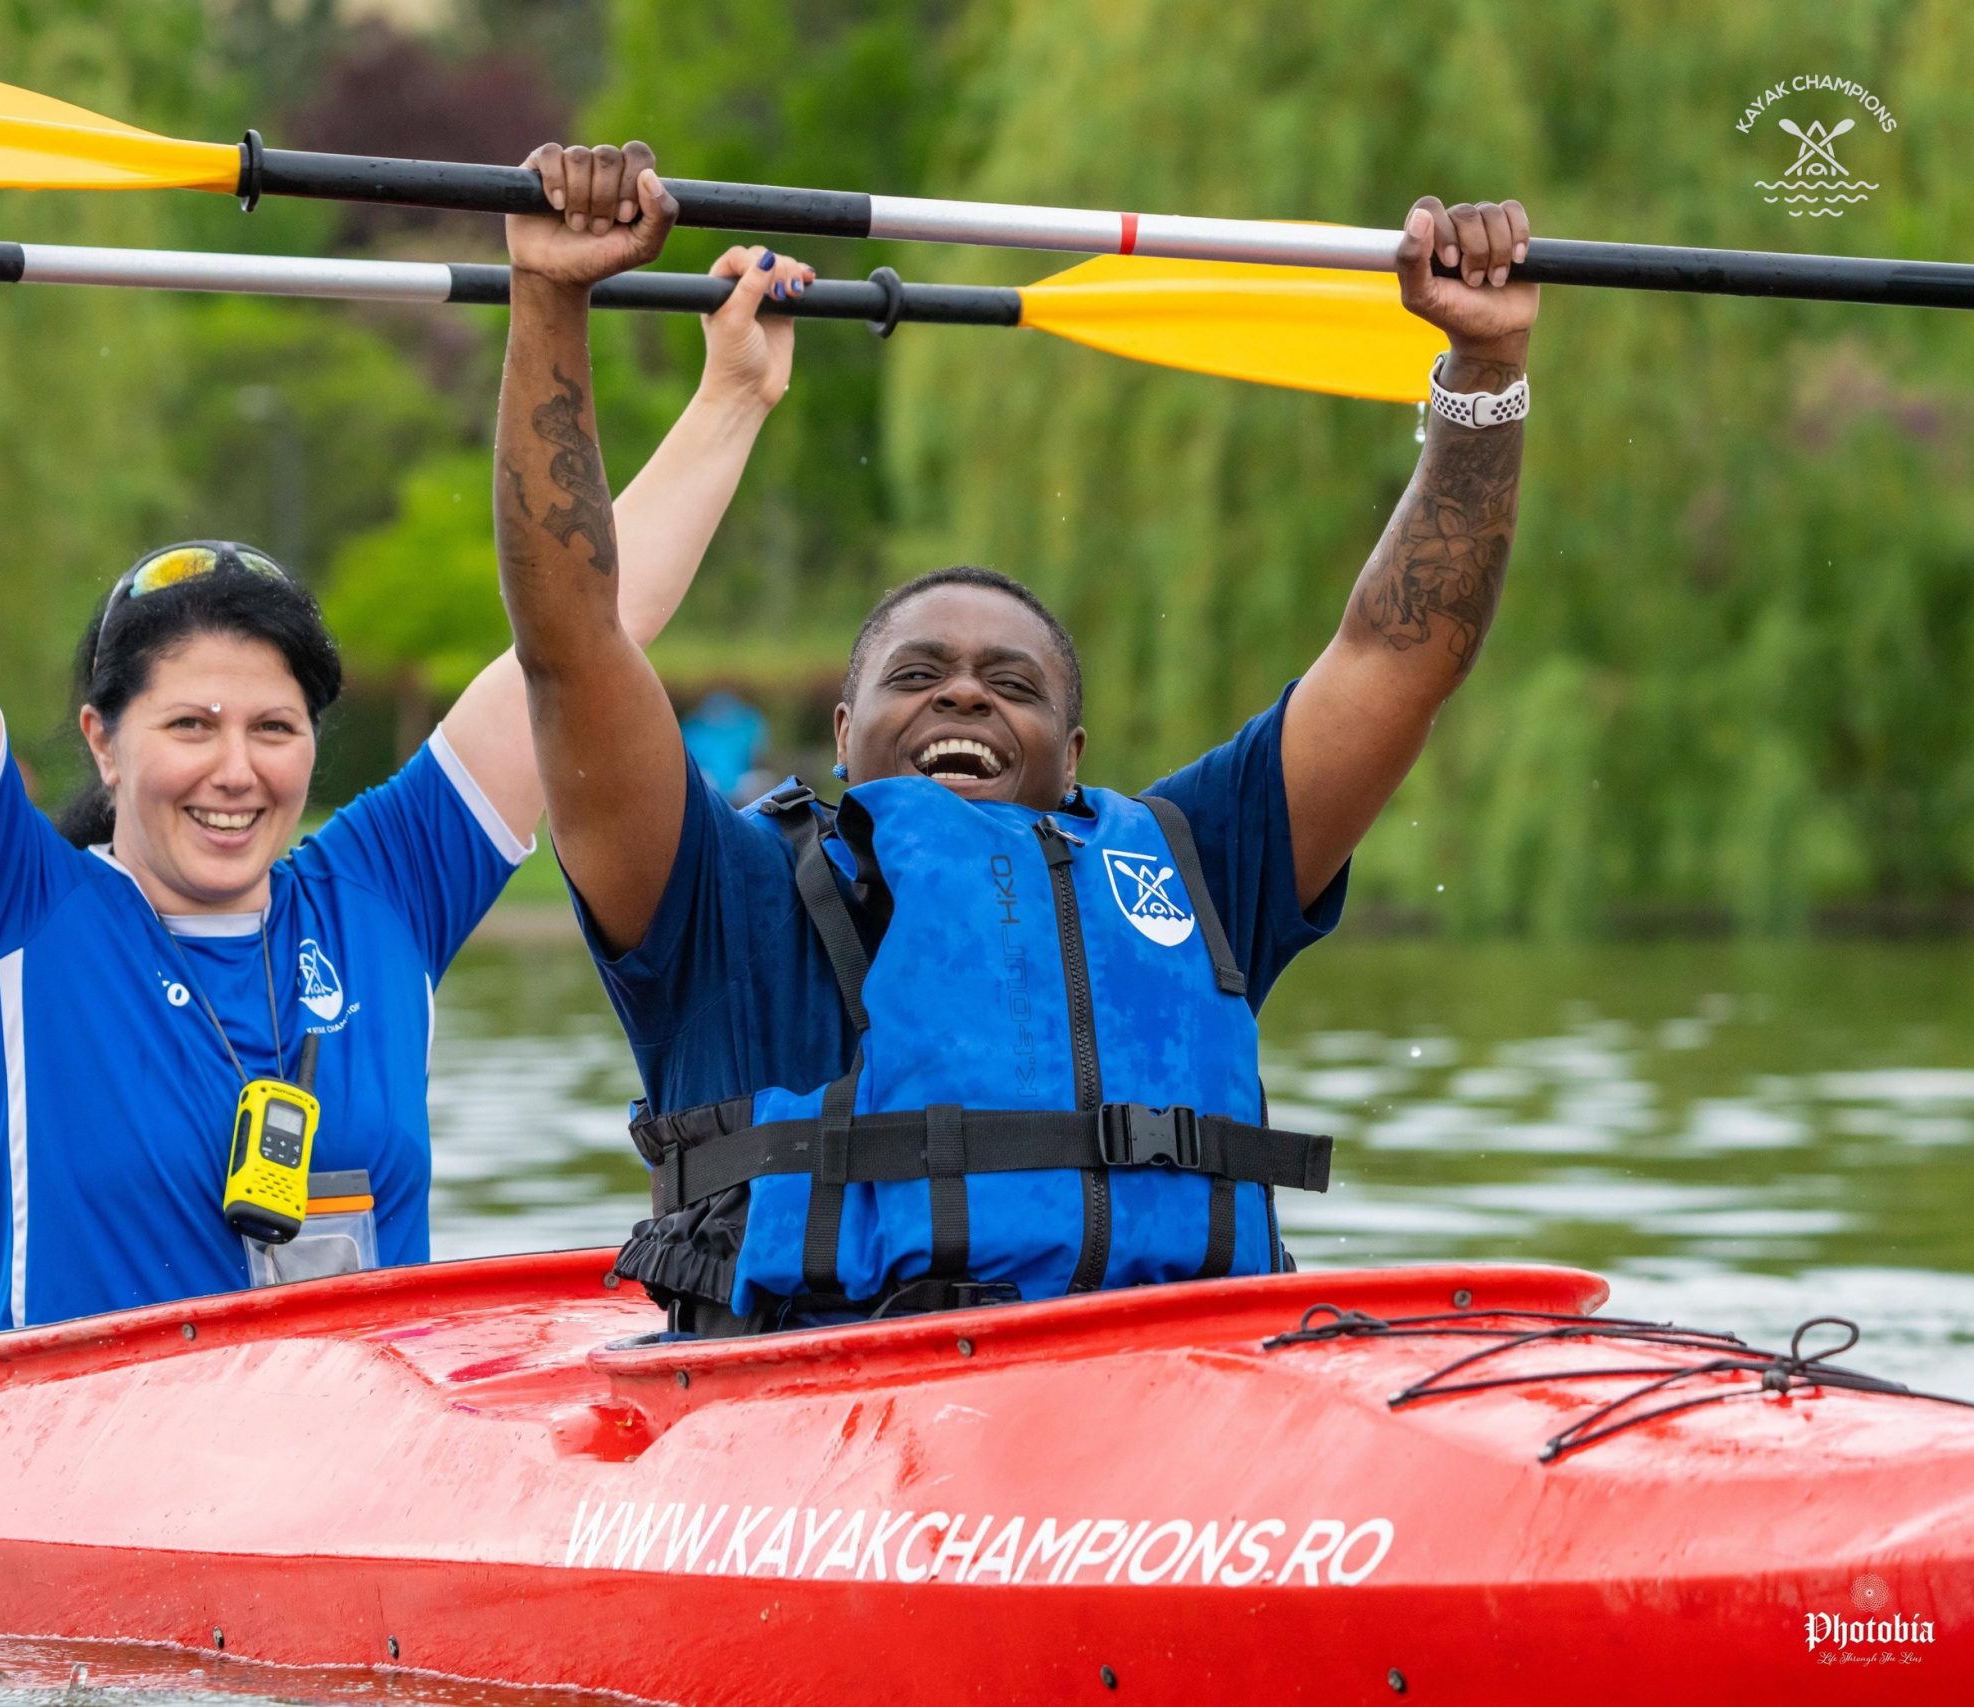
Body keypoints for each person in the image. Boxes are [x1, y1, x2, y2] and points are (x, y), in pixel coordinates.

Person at [490, 141, 1538, 1335]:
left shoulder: (1192, 864)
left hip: (1178, 1395)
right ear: (844, 734)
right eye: (918, 674)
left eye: (1012, 683)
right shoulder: (721, 902)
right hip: (831, 1424)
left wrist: (1484, 372)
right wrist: (552, 297)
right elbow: (571, 637)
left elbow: (1398, 658)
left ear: (1075, 754)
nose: (965, 696)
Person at [0, 187, 819, 1332]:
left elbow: (584, 649)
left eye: (273, 728)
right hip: (85, 1473)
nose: (235, 771)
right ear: (104, 741)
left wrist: (732, 398)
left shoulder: (382, 889)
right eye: (190, 726)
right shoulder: (5, 911)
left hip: (357, 1475)